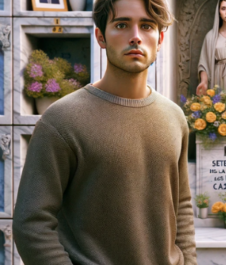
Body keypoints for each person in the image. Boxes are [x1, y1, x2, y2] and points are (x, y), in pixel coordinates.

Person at [13, 0, 197, 264]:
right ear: (100, 36)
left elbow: (181, 206)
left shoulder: (174, 117)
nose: (135, 37)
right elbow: (31, 224)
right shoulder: (61, 121)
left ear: (160, 38)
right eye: (122, 25)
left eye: (146, 26)